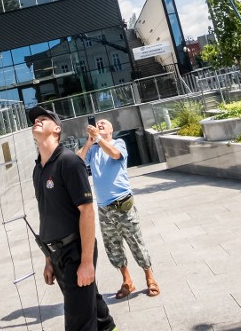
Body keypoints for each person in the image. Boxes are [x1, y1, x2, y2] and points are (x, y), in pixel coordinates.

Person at [29, 107, 116, 331]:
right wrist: (48, 258)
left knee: (78, 321)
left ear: (57, 129)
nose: (37, 121)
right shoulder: (38, 170)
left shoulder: (69, 162)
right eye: (35, 120)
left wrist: (87, 262)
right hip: (56, 254)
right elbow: (46, 213)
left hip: (76, 251)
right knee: (90, 305)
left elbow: (87, 211)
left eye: (43, 119)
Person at [77, 118, 159, 299]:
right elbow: (77, 160)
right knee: (113, 247)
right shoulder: (94, 149)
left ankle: (150, 277)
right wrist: (89, 142)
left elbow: (114, 154)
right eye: (97, 124)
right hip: (104, 208)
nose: (99, 125)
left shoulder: (118, 143)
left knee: (136, 242)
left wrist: (98, 139)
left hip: (123, 204)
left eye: (103, 124)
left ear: (111, 129)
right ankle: (127, 281)